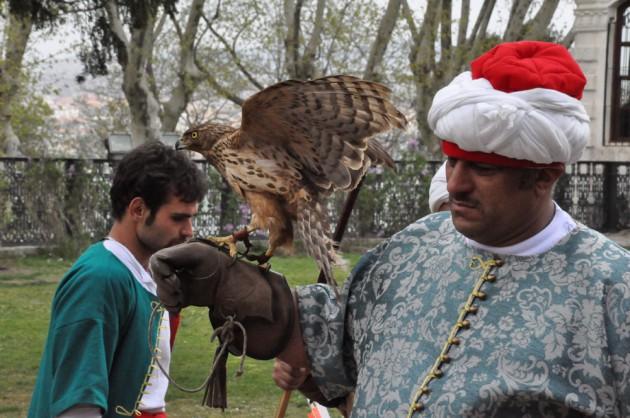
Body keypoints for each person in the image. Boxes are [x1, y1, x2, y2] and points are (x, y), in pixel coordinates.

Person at [149, 41, 630, 417]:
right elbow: (328, 349)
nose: (456, 183)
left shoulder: (614, 291)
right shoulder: (407, 251)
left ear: (545, 176)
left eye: (483, 169)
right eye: (452, 160)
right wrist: (236, 288)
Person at [28, 142, 208, 418]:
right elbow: (79, 406)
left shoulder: (142, 274)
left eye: (191, 218)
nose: (188, 231)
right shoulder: (98, 280)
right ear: (138, 210)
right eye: (178, 218)